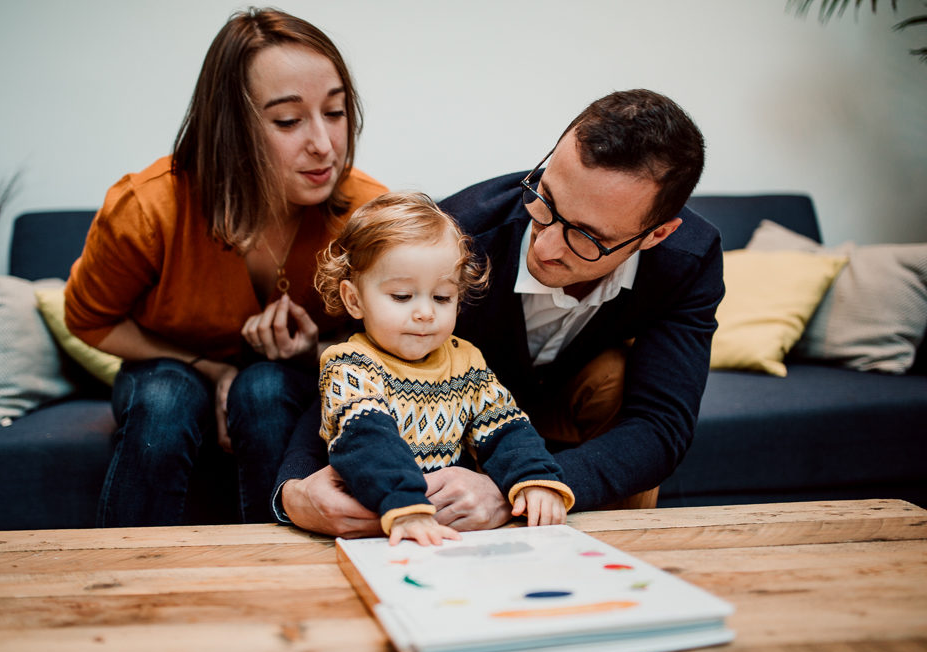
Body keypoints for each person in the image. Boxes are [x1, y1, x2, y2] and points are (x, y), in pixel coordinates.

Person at [273, 89, 724, 537]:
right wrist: (295, 490)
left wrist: (523, 488)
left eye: (587, 237)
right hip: (451, 415)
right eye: (546, 200)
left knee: (614, 377)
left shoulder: (690, 260)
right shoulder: (453, 240)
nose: (545, 246)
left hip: (539, 422)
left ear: (656, 234)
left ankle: (611, 561)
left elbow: (659, 425)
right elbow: (355, 371)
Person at [64, 8, 387, 527]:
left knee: (263, 389)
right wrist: (212, 369)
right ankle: (125, 571)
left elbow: (405, 342)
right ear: (230, 127)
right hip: (169, 369)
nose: (324, 144)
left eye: (335, 111)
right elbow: (88, 319)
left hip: (292, 380)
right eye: (288, 120)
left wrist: (314, 351)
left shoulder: (368, 215)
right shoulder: (147, 209)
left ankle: (284, 567)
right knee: (165, 397)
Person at [313, 191, 573, 545]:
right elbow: (368, 441)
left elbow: (505, 428)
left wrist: (534, 479)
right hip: (378, 526)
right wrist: (406, 505)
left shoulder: (466, 361)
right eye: (402, 296)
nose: (425, 313)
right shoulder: (350, 365)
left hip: (449, 531)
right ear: (354, 299)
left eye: (442, 297)